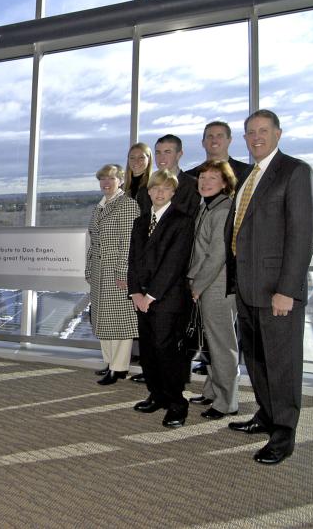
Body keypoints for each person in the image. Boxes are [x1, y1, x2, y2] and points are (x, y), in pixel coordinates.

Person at [225, 109, 313, 465]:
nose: (256, 137)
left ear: (278, 134)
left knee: (282, 364)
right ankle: (265, 415)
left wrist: (287, 290)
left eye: (263, 131)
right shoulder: (248, 176)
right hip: (248, 290)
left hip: (276, 291)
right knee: (258, 361)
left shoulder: (295, 171)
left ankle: (284, 434)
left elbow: (301, 235)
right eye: (250, 132)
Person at [127, 169, 195, 428]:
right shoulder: (140, 221)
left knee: (167, 354)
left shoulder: (182, 221)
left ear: (173, 193)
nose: (159, 192)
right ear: (149, 191)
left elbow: (174, 263)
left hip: (166, 299)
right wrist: (135, 292)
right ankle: (156, 395)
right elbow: (132, 260)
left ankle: (177, 403)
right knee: (148, 351)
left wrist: (150, 295)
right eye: (155, 188)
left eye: (165, 189)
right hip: (141, 298)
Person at [186, 160, 240, 419]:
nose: (205, 183)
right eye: (202, 178)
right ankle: (212, 391)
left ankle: (227, 402)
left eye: (212, 178)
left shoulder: (222, 210)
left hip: (217, 287)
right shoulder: (208, 206)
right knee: (213, 343)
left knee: (222, 345)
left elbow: (216, 255)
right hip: (209, 284)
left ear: (225, 183)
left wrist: (197, 286)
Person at [85, 164, 140, 385]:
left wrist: (122, 272)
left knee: (120, 321)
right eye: (103, 179)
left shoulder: (127, 205)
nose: (106, 183)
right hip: (100, 271)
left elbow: (128, 244)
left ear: (121, 181)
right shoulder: (100, 206)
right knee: (104, 320)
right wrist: (89, 268)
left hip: (117, 272)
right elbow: (94, 241)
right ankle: (109, 362)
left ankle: (119, 368)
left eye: (111, 179)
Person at [121, 143, 153, 384]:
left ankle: (149, 366)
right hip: (128, 253)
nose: (136, 161)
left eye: (140, 157)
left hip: (143, 255)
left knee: (145, 312)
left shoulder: (150, 187)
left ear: (148, 159)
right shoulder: (126, 188)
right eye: (132, 157)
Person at [137, 135, 200, 218]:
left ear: (179, 154)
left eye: (167, 152)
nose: (161, 157)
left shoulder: (194, 187)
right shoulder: (145, 189)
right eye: (158, 152)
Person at [186, 121, 252, 187]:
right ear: (203, 143)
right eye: (210, 136)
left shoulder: (248, 172)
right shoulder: (189, 177)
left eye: (219, 136)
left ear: (229, 140)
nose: (214, 140)